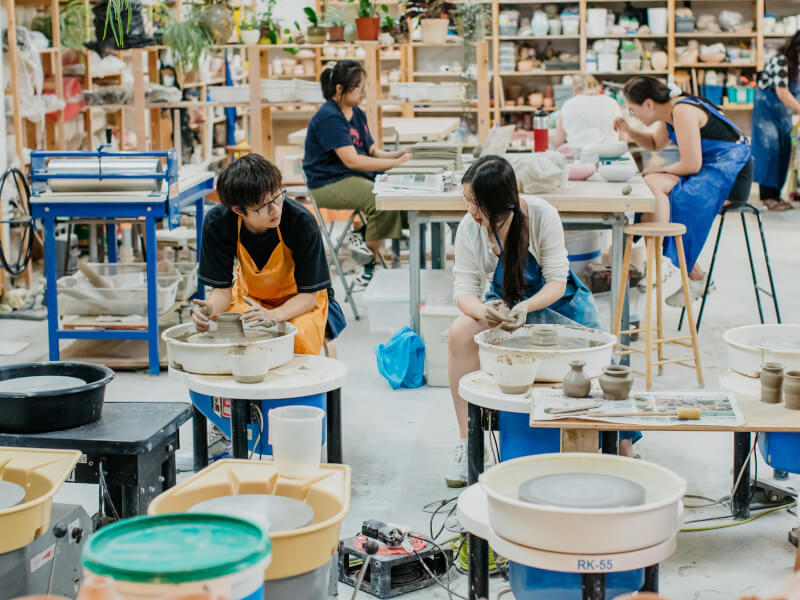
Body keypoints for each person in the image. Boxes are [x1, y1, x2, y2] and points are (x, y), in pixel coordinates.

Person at [444, 156, 639, 488]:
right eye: (467, 201)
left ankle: (621, 441)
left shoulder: (541, 215)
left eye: (476, 203)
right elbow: (463, 289)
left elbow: (556, 281)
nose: (470, 210)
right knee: (459, 332)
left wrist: (526, 308)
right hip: (504, 306)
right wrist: (483, 311)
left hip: (559, 304)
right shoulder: (469, 227)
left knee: (599, 360)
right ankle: (468, 442)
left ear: (499, 202)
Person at [613, 76, 752, 307]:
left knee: (656, 186)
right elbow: (656, 144)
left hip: (730, 172)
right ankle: (688, 273)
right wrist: (629, 129)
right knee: (653, 194)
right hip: (712, 167)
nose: (634, 116)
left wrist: (659, 169)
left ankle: (661, 262)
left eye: (633, 111)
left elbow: (692, 165)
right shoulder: (670, 111)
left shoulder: (682, 111)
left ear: (648, 104)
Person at [193, 154, 345, 355]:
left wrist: (275, 315)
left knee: (296, 336)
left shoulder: (301, 222)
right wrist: (208, 311)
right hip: (251, 299)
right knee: (223, 330)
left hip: (299, 300)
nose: (275, 210)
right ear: (238, 209)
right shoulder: (218, 223)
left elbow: (308, 297)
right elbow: (221, 291)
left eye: (277, 196)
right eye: (264, 206)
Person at [303, 60, 412, 287]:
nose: (363, 92)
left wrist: (395, 155)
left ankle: (360, 237)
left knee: (397, 199)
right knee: (380, 200)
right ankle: (367, 263)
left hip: (352, 178)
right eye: (358, 86)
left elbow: (371, 149)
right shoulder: (329, 117)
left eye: (365, 86)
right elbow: (352, 160)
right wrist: (393, 165)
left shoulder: (356, 113)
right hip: (327, 182)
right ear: (339, 88)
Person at [752, 32, 800, 211]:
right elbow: (782, 92)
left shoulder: (797, 66)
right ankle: (767, 197)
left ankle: (777, 196)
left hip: (784, 114)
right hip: (767, 112)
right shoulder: (781, 60)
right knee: (769, 152)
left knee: (784, 152)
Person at [552, 75, 623, 149]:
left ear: (576, 90)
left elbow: (559, 142)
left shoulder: (568, 104)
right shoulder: (612, 103)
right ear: (597, 87)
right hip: (608, 152)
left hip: (579, 155)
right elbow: (623, 138)